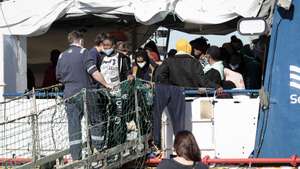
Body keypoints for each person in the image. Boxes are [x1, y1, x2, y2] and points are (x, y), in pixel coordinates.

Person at [56, 31, 109, 161]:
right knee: (96, 121)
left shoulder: (62, 56)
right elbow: (93, 71)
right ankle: (98, 150)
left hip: (68, 94)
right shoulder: (83, 52)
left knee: (74, 125)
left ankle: (76, 157)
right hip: (86, 93)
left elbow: (58, 77)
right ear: (80, 41)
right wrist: (106, 84)